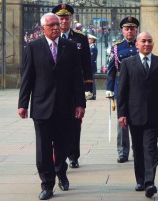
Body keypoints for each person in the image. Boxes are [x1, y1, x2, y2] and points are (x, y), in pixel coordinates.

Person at [17, 13, 86, 200]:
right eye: (52, 25)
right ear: (43, 28)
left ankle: (61, 172)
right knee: (43, 148)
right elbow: (27, 78)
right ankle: (47, 184)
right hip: (41, 106)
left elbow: (77, 78)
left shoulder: (70, 47)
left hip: (66, 106)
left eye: (58, 24)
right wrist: (23, 104)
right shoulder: (33, 47)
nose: (56, 27)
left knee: (62, 144)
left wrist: (80, 103)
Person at [117, 32, 158, 198]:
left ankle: (150, 182)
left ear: (153, 44)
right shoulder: (128, 63)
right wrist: (122, 113)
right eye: (143, 41)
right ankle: (140, 179)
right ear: (137, 44)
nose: (146, 44)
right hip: (134, 114)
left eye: (149, 41)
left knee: (150, 147)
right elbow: (123, 91)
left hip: (154, 115)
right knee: (138, 149)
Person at [52, 4, 93, 168]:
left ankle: (73, 155)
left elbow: (86, 65)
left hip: (75, 88)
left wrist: (88, 87)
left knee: (75, 123)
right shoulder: (52, 37)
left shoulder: (80, 38)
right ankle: (59, 156)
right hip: (56, 89)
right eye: (60, 18)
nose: (63, 21)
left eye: (66, 18)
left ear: (71, 19)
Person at [106, 16, 139, 163]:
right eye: (127, 29)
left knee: (139, 120)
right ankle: (122, 152)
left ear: (136, 30)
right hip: (122, 87)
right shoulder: (117, 47)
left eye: (132, 29)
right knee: (122, 121)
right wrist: (109, 89)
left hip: (139, 88)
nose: (130, 31)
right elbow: (111, 70)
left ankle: (138, 150)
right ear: (122, 31)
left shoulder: (141, 44)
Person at [88, 34, 98, 100]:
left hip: (91, 67)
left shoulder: (93, 48)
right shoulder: (90, 47)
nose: (88, 40)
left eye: (89, 39)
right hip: (90, 66)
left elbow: (92, 59)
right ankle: (91, 94)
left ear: (92, 40)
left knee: (92, 81)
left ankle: (93, 95)